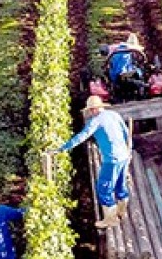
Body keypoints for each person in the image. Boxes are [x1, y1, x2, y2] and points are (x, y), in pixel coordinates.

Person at [49, 95, 132, 228]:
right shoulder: (114, 115)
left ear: (93, 110)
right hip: (123, 155)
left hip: (112, 159)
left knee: (104, 188)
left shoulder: (95, 121)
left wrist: (61, 149)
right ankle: (122, 211)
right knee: (120, 186)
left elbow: (81, 137)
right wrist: (129, 150)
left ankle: (111, 219)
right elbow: (126, 133)